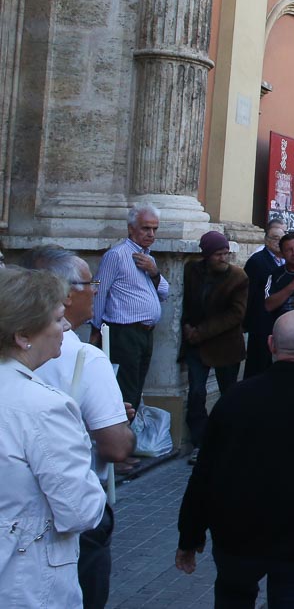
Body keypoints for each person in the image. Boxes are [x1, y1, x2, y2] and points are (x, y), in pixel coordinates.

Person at [176, 310, 294, 607]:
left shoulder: (234, 400)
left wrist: (190, 535)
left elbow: (205, 473)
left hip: (237, 538)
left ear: (271, 344)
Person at [25, 247, 133, 609]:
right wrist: (118, 423)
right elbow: (116, 447)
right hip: (68, 513)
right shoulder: (85, 357)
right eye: (91, 283)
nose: (97, 290)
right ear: (67, 293)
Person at [0, 267, 107, 608]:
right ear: (22, 335)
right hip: (25, 580)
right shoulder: (44, 406)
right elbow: (81, 510)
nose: (64, 328)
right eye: (58, 318)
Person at [91, 203, 169, 410]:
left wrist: (154, 272)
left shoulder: (148, 258)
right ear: (131, 228)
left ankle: (129, 435)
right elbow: (98, 289)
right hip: (123, 331)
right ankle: (121, 436)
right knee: (126, 390)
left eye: (155, 229)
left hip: (145, 333)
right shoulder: (116, 255)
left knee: (136, 389)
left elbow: (164, 292)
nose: (151, 234)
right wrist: (95, 327)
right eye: (146, 228)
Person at [179, 231, 247, 465]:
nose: (223, 258)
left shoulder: (238, 277)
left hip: (225, 346)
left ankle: (230, 441)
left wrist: (201, 332)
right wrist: (187, 327)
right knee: (196, 393)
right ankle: (201, 442)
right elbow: (186, 301)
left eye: (226, 253)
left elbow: (235, 314)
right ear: (206, 255)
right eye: (218, 254)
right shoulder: (191, 271)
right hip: (196, 345)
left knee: (229, 396)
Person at [242, 221, 286, 378]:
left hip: (279, 320)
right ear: (266, 240)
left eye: (282, 238)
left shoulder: (285, 261)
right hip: (261, 321)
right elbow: (249, 293)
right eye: (274, 238)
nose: (278, 242)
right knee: (258, 364)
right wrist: (247, 321)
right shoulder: (257, 261)